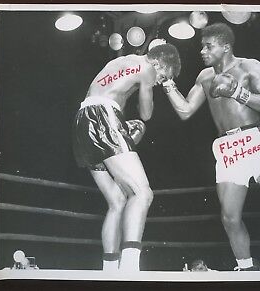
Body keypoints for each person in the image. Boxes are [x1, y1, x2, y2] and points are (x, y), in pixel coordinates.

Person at [162, 23, 260, 271]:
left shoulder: (249, 67)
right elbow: (185, 110)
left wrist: (238, 92)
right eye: (202, 46)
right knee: (229, 217)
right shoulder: (204, 77)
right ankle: (246, 267)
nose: (202, 51)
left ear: (225, 47)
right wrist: (168, 84)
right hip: (226, 147)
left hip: (254, 139)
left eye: (208, 46)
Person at [72, 44, 181, 272]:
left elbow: (104, 93)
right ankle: (130, 268)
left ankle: (109, 269)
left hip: (83, 120)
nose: (161, 81)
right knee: (142, 193)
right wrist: (153, 85)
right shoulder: (148, 69)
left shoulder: (122, 61)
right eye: (164, 75)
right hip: (104, 117)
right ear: (159, 63)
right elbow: (146, 113)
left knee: (117, 201)